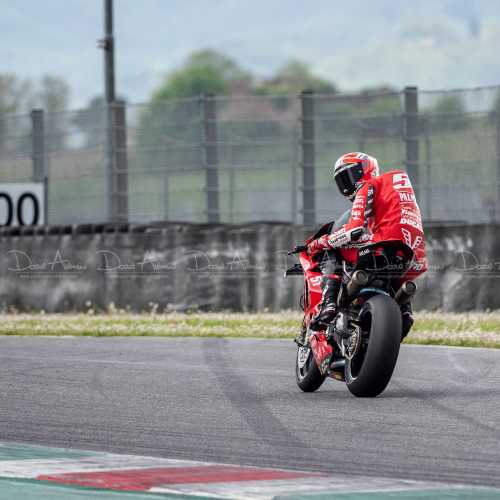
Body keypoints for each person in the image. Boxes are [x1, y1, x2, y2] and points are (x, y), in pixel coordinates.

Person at [307, 152, 427, 338]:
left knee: (329, 249)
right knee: (398, 278)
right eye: (343, 181)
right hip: (413, 253)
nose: (348, 185)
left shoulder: (368, 186)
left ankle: (328, 303)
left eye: (351, 175)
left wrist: (319, 243)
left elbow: (353, 231)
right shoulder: (395, 189)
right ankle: (405, 310)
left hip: (383, 244)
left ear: (367, 171)